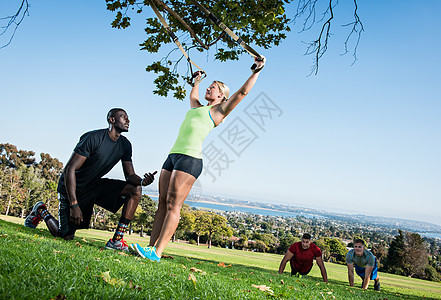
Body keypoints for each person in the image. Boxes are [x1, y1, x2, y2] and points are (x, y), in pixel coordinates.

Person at [131, 56, 266, 261]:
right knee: (161, 204)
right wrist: (197, 81)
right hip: (172, 156)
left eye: (212, 87)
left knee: (173, 205)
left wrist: (256, 71)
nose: (208, 89)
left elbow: (242, 93)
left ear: (221, 95)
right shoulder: (197, 108)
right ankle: (150, 248)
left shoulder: (219, 111)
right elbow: (193, 95)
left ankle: (158, 252)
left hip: (190, 159)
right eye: (208, 87)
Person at [24, 108, 157, 251]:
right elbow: (70, 169)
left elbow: (130, 176)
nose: (128, 120)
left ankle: (116, 240)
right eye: (124, 117)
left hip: (93, 186)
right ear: (111, 120)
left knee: (135, 189)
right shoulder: (92, 138)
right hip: (71, 189)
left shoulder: (125, 145)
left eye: (128, 117)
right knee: (65, 235)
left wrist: (142, 181)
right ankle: (41, 210)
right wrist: (74, 205)